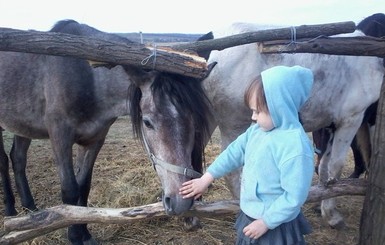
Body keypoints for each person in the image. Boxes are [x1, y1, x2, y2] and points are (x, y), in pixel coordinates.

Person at [179, 65, 315, 245]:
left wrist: (267, 222)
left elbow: (294, 197)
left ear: (280, 107)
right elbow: (234, 152)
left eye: (258, 111)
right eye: (252, 110)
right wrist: (207, 178)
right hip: (251, 214)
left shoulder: (295, 147)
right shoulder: (257, 130)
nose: (253, 117)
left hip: (275, 226)